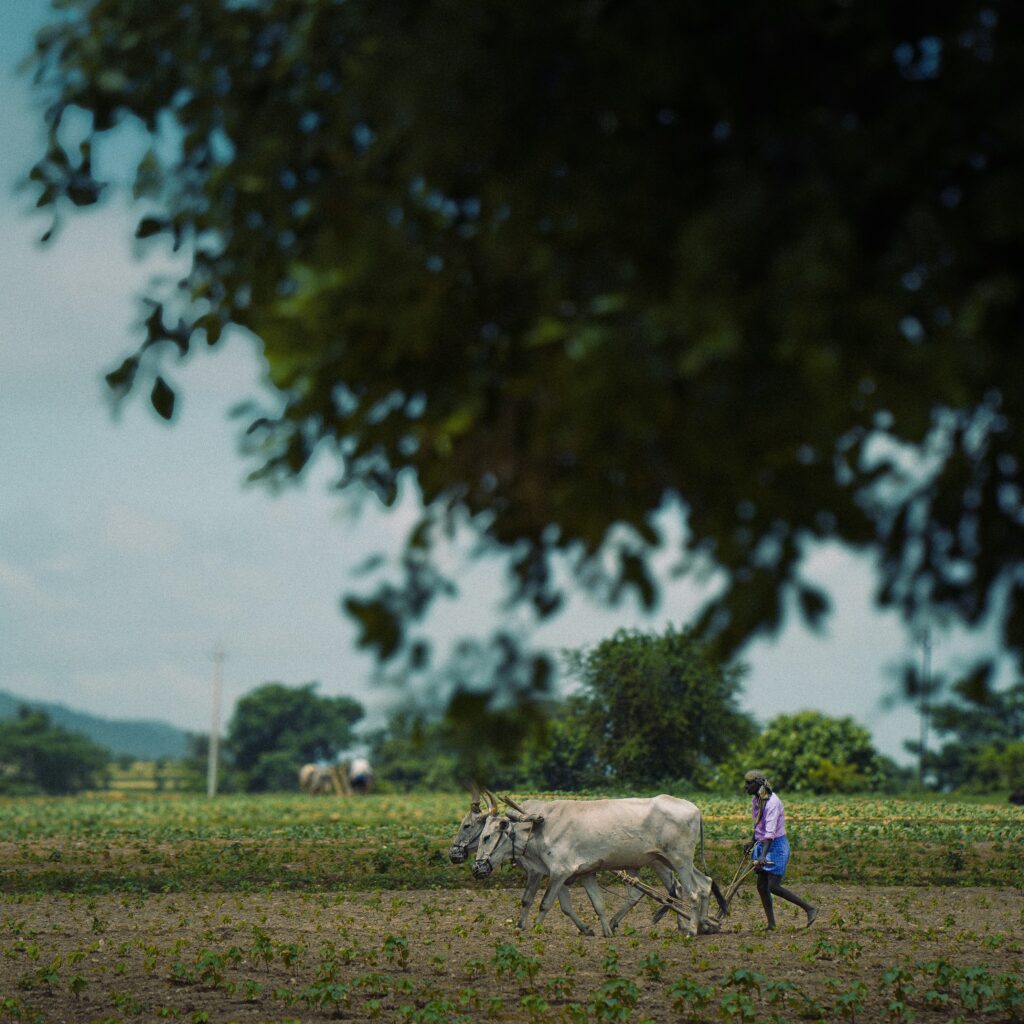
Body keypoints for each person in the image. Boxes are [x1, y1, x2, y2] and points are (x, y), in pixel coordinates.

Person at [743, 770, 818, 930]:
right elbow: (758, 824)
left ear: (758, 784)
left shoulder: (772, 803)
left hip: (776, 846)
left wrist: (763, 855)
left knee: (773, 886)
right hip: (763, 844)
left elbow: (770, 832)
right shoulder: (757, 800)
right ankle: (771, 924)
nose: (746, 787)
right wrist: (752, 841)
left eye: (749, 783)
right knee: (762, 887)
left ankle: (809, 908)